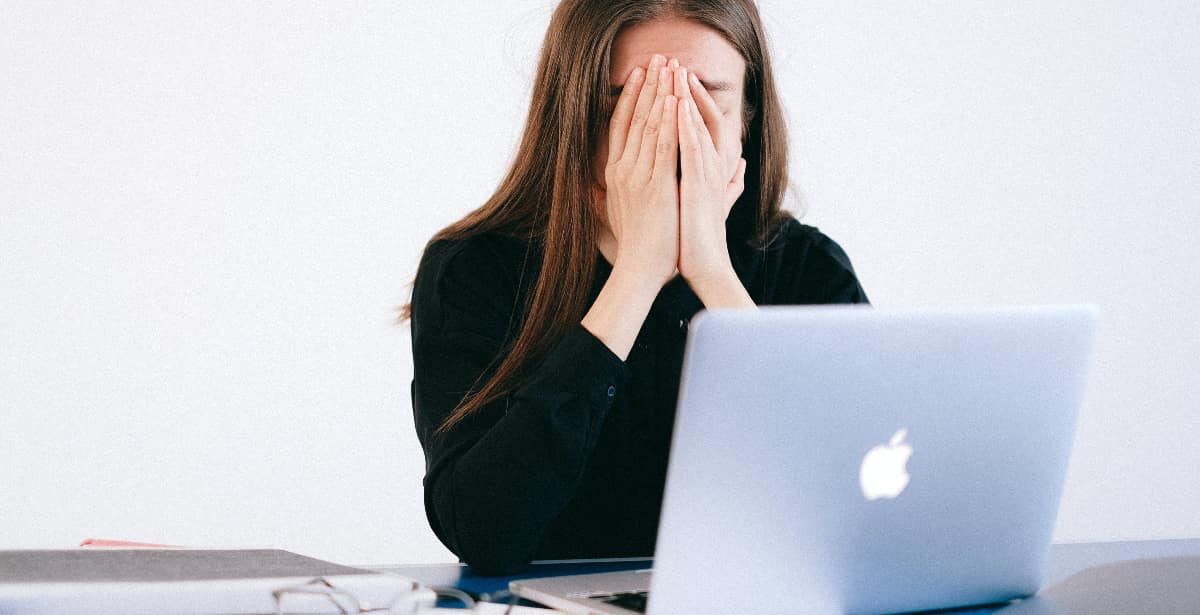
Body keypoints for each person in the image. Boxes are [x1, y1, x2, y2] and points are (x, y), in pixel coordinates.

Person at [402, 0, 868, 575]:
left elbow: (855, 505)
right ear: (573, 114)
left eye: (704, 99)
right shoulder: (473, 269)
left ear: (747, 117)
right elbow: (483, 530)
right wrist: (638, 272)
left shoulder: (807, 267)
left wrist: (711, 271)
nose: (670, 129)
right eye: (632, 102)